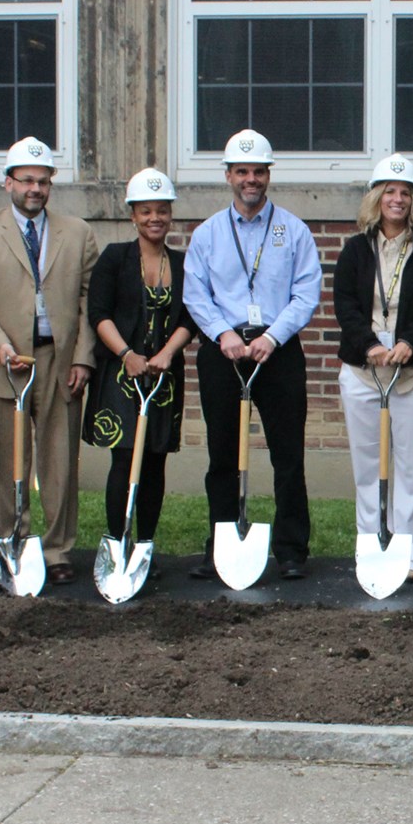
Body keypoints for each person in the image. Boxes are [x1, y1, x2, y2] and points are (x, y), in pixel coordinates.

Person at [0, 136, 99, 588]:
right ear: (8, 184)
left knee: (59, 459)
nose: (35, 189)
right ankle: (9, 545)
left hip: (59, 358)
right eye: (26, 181)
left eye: (43, 181)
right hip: (4, 362)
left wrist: (83, 358)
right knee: (4, 460)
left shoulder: (77, 233)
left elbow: (91, 300)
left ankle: (56, 550)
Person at [183, 128, 323, 580]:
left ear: (268, 175)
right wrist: (223, 334)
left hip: (276, 351)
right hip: (223, 350)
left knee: (287, 453)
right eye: (242, 171)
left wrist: (273, 336)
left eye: (259, 171)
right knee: (222, 453)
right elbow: (196, 294)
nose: (251, 179)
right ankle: (221, 544)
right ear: (228, 176)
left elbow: (306, 292)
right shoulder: (207, 234)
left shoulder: (293, 230)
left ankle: (291, 549)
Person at [332, 154, 413, 583]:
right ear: (376, 197)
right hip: (363, 375)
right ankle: (372, 548)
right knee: (368, 469)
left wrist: (409, 342)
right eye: (389, 191)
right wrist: (368, 344)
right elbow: (345, 305)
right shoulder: (355, 249)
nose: (397, 199)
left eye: (405, 193)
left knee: (411, 469)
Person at [82, 168, 195, 571]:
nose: (154, 219)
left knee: (156, 461)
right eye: (146, 211)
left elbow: (190, 315)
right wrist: (127, 353)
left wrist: (167, 353)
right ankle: (117, 541)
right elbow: (98, 312)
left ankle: (145, 543)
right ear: (133, 215)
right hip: (122, 373)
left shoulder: (183, 262)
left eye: (162, 211)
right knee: (125, 457)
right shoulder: (114, 257)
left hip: (164, 376)